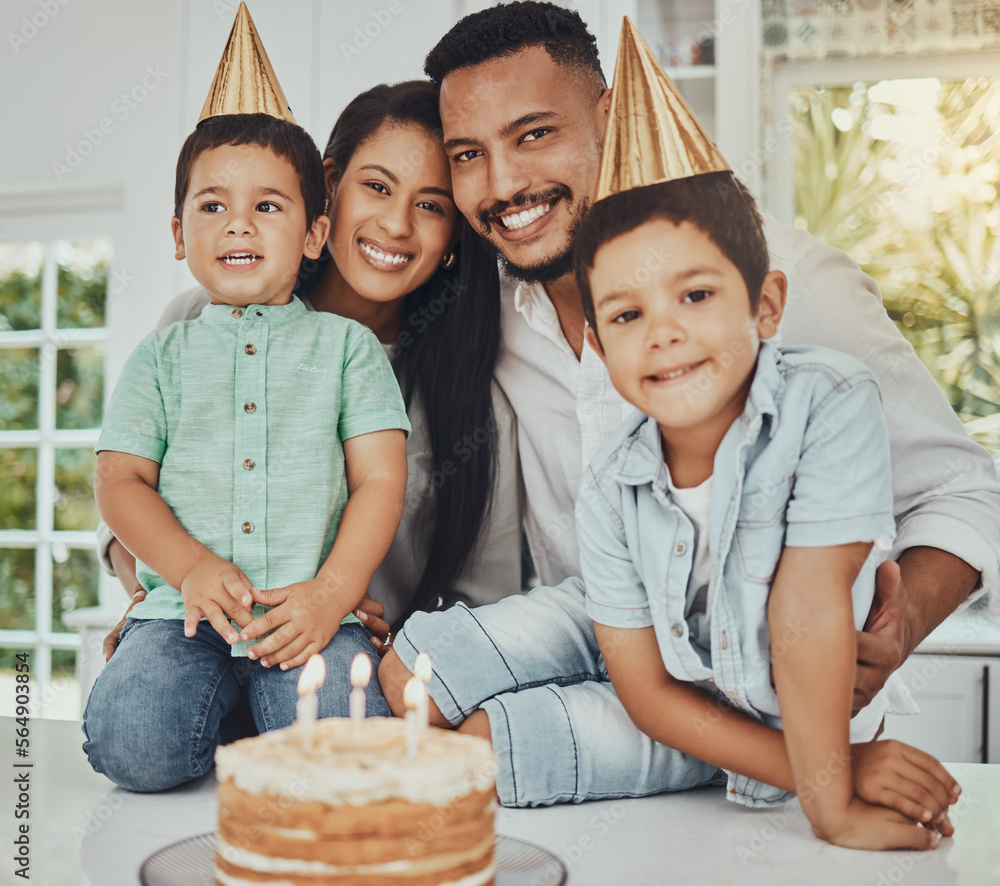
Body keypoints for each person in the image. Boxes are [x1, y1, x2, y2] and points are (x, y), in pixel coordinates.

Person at [378, 2, 1000, 809]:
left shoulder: (773, 288)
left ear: (612, 115)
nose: (503, 185)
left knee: (488, 753)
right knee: (420, 691)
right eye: (469, 154)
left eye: (535, 134)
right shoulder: (485, 307)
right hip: (607, 659)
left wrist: (898, 622)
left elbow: (964, 490)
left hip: (758, 689)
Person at [573, 104, 959, 848]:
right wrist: (832, 778)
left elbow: (807, 604)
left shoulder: (829, 403)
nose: (664, 331)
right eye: (626, 314)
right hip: (712, 739)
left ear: (768, 304)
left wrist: (830, 799)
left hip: (816, 722)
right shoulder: (608, 485)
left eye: (695, 295)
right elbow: (648, 691)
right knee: (478, 712)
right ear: (598, 344)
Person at [98, 80, 522, 659]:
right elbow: (128, 502)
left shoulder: (474, 400)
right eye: (376, 187)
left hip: (349, 682)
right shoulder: (194, 322)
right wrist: (173, 603)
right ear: (326, 190)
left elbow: (486, 599)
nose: (397, 225)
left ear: (454, 236)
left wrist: (358, 616)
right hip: (204, 642)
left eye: (431, 205)